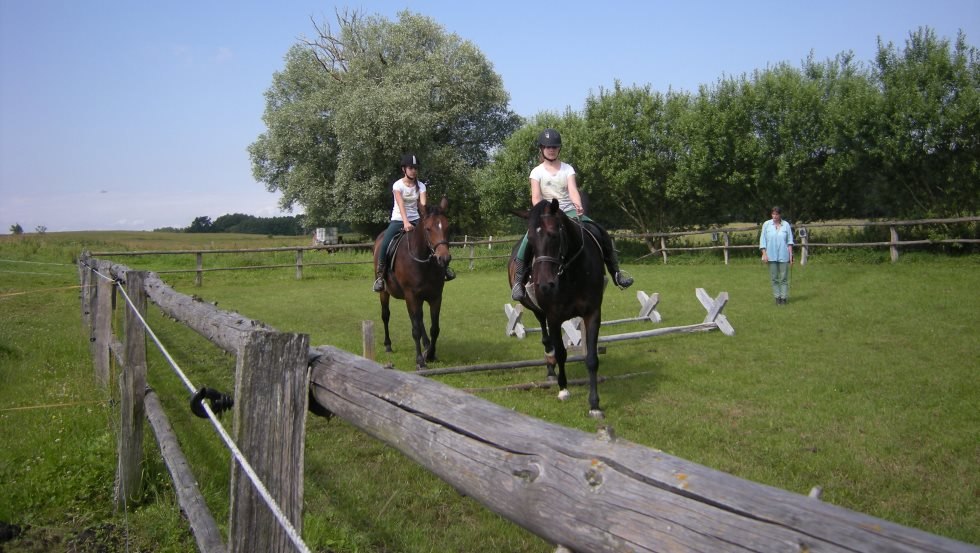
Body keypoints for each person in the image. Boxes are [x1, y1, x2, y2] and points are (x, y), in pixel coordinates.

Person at [511, 128, 633, 301]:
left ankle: (616, 273)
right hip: (546, 214)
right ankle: (518, 281)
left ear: (559, 148)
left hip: (568, 211)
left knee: (599, 231)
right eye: (548, 147)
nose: (551, 150)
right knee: (527, 240)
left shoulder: (567, 169)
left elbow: (573, 190)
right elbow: (536, 197)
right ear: (542, 149)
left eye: (554, 147)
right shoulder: (536, 172)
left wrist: (578, 204)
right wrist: (542, 213)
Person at [373, 153, 456, 292]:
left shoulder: (421, 186)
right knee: (385, 242)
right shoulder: (398, 185)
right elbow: (400, 204)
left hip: (417, 219)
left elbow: (422, 205)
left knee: (434, 238)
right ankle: (380, 274)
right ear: (404, 169)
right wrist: (405, 222)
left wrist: (426, 217)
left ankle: (445, 268)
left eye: (415, 168)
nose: (413, 171)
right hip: (399, 219)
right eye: (410, 168)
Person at [759, 206, 794, 305]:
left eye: (776, 214)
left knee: (783, 278)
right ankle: (777, 297)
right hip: (771, 255)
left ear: (780, 215)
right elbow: (762, 240)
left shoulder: (786, 225)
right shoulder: (766, 224)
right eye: (773, 214)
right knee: (774, 278)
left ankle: (783, 298)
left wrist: (791, 256)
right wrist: (764, 254)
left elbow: (789, 242)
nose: (774, 216)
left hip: (784, 255)